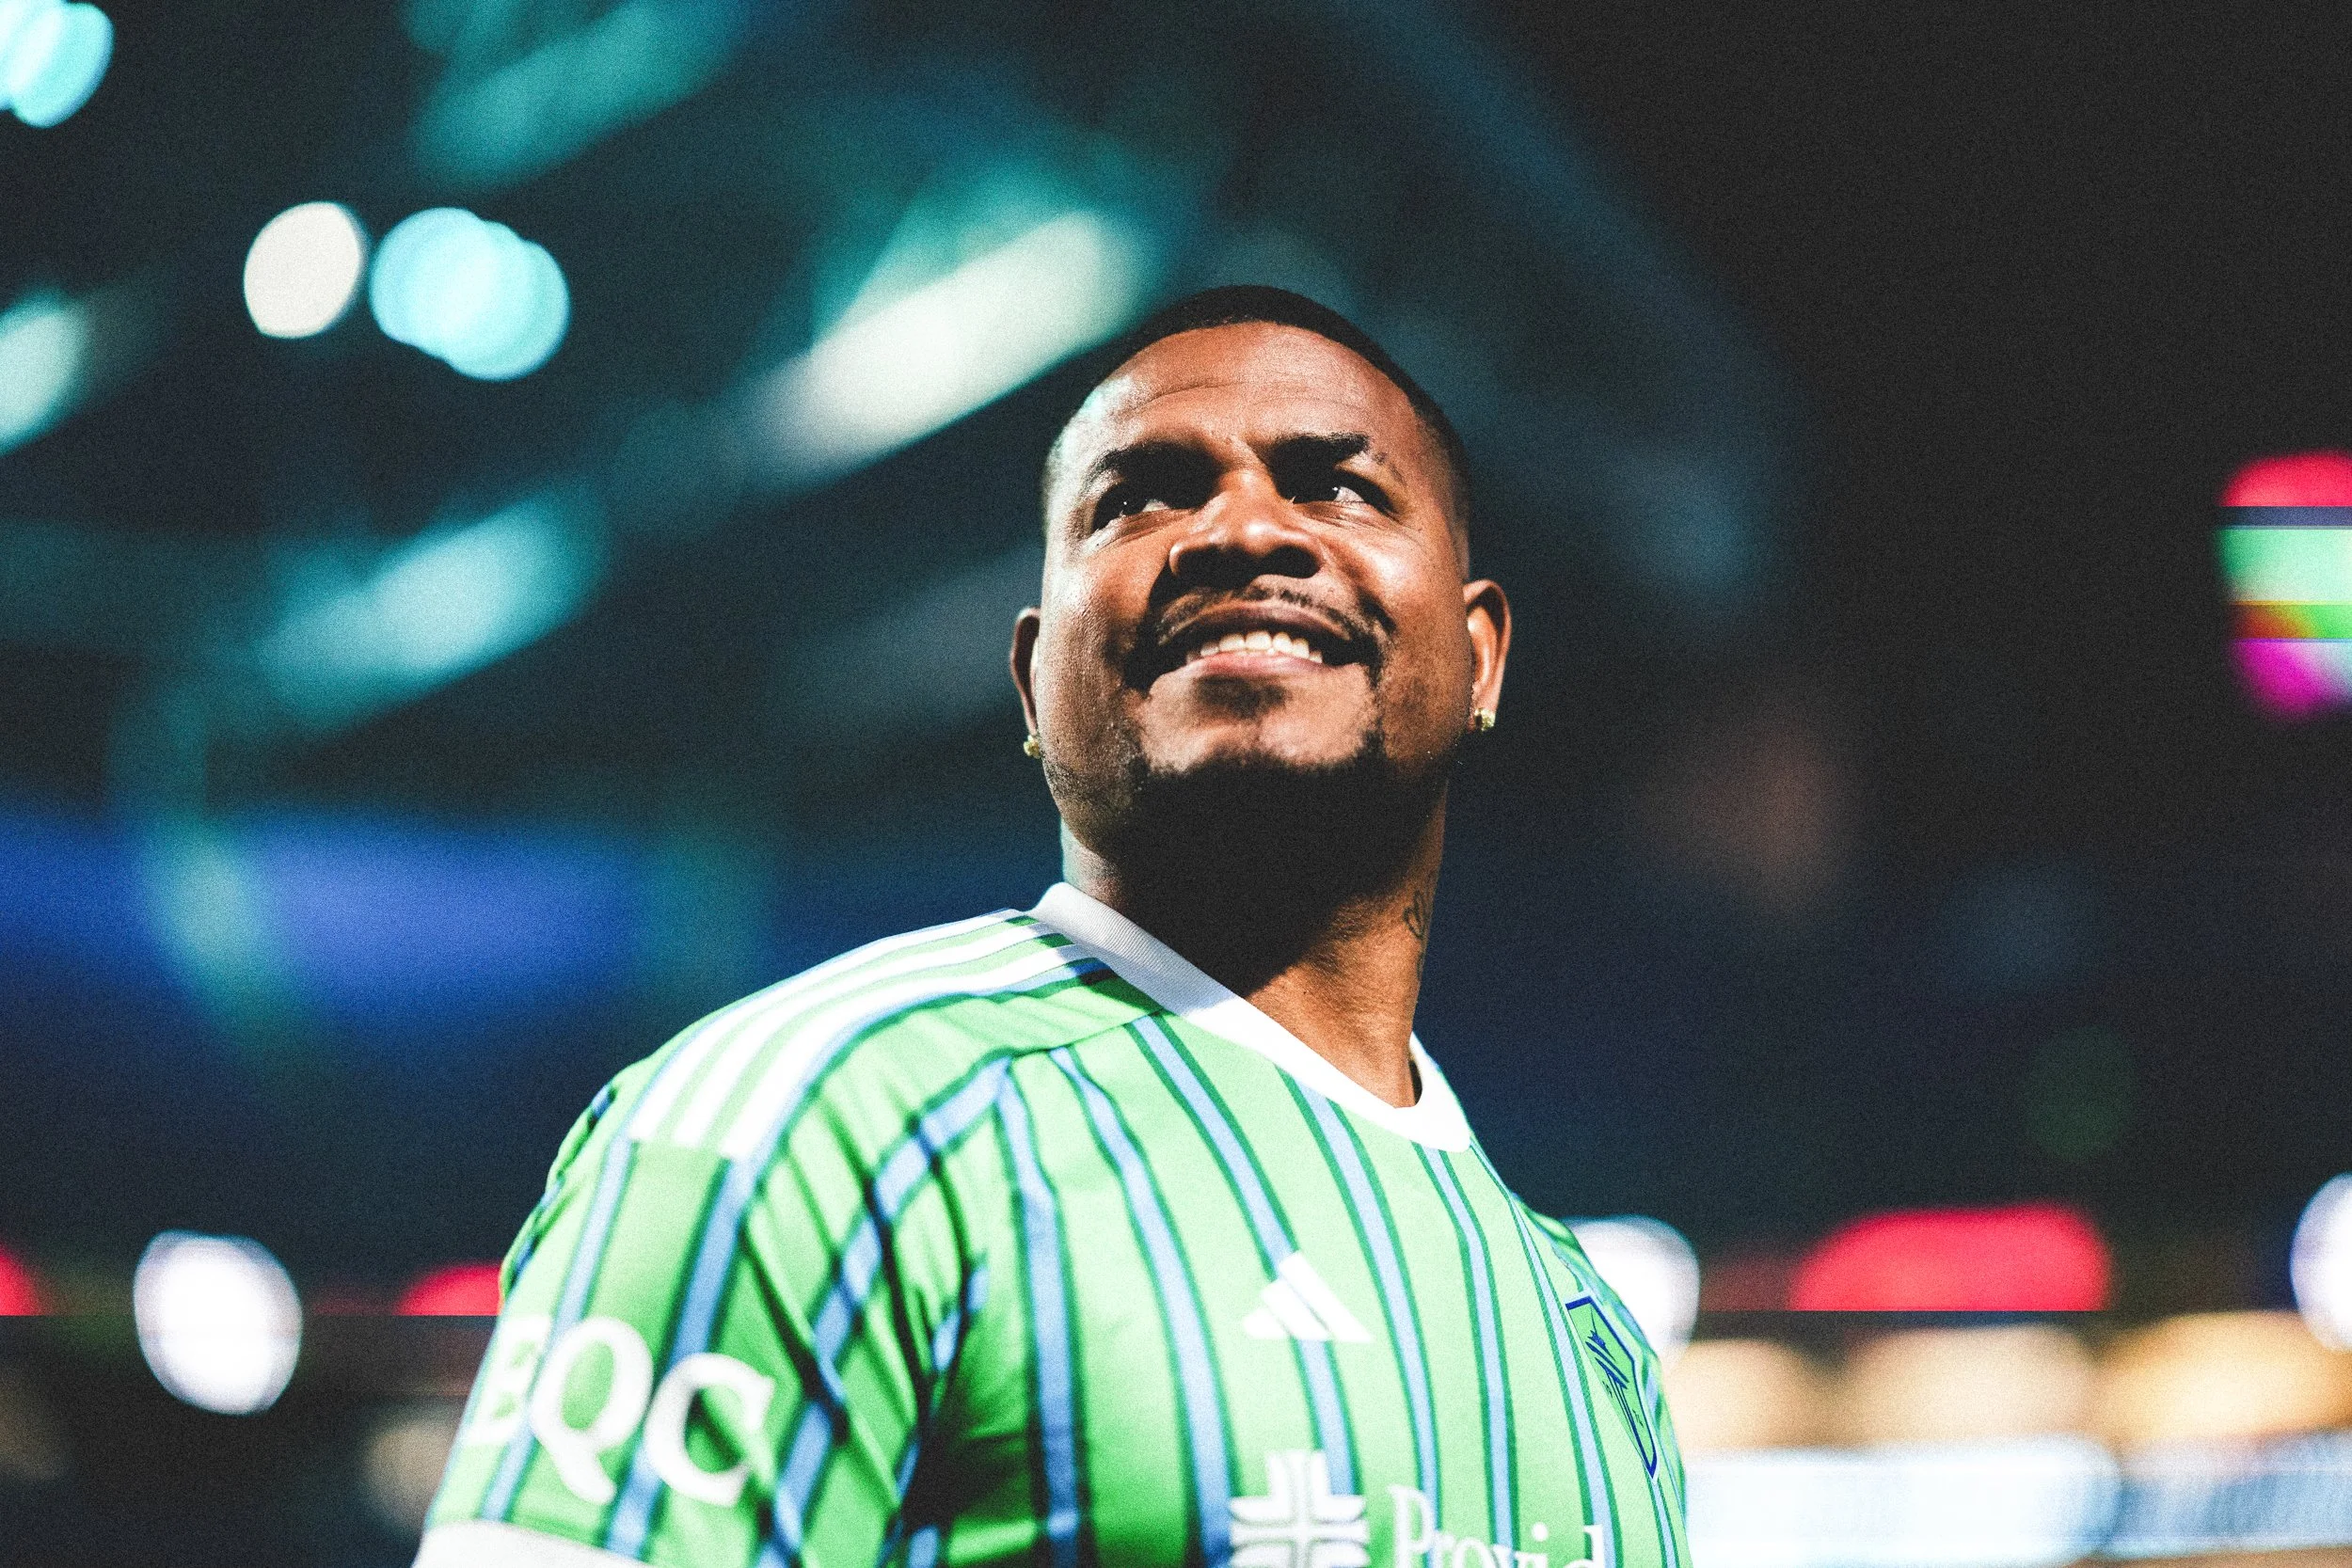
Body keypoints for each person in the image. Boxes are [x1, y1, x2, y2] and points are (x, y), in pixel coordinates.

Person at [417, 286, 1687, 1568]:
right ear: (1032, 678)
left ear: (1482, 657)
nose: (1241, 528)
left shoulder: (1593, 1335)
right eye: (1140, 496)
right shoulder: (811, 1119)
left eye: (1336, 487)